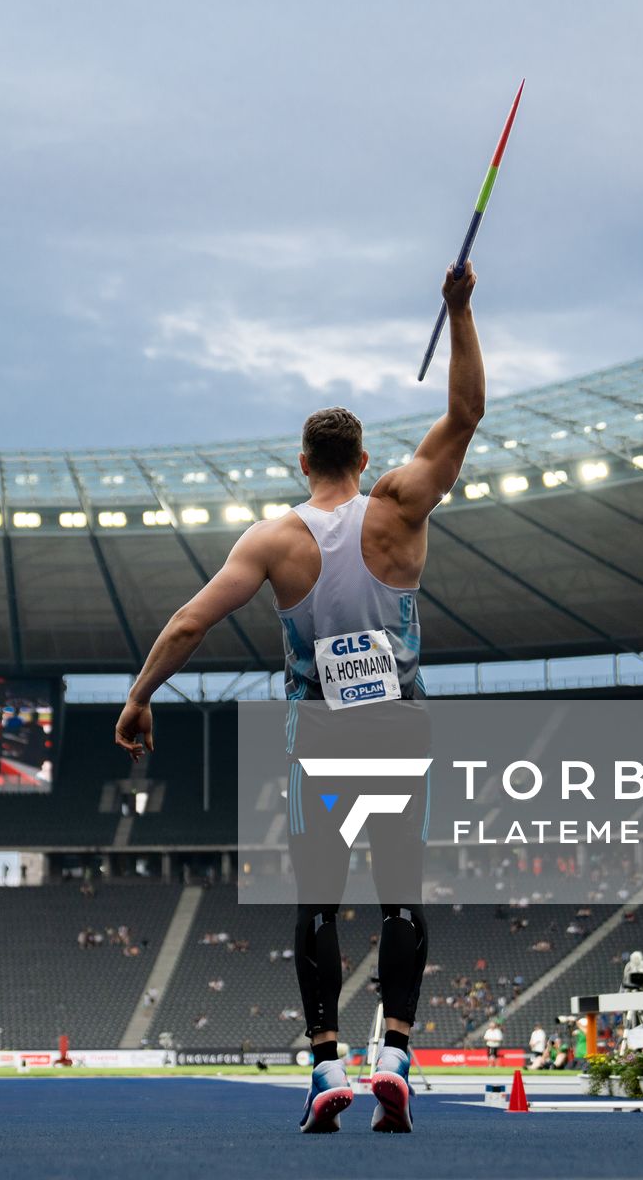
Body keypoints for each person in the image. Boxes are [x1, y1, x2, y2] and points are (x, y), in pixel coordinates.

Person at [115, 263, 486, 1135]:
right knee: (401, 897)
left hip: (318, 733)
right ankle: (394, 1050)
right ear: (361, 461)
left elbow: (187, 623)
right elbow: (466, 414)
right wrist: (461, 313)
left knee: (317, 902)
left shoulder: (274, 538)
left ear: (304, 463)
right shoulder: (398, 504)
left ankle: (326, 1066)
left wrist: (138, 698)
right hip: (397, 724)